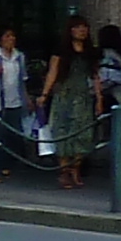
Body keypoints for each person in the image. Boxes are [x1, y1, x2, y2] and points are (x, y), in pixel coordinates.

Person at [42, 17, 103, 190]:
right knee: (62, 131)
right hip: (64, 95)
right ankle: (64, 171)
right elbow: (52, 72)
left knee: (82, 135)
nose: (82, 30)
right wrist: (45, 94)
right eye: (78, 27)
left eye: (85, 27)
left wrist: (99, 98)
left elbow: (95, 76)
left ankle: (75, 169)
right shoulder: (61, 50)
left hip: (83, 96)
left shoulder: (91, 52)